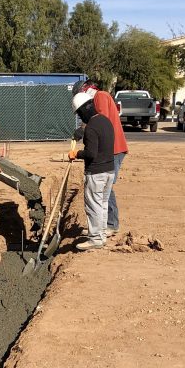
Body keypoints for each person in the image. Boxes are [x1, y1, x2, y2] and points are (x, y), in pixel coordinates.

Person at [72, 79, 128, 235]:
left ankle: (111, 224)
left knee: (105, 188)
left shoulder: (101, 96)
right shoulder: (99, 97)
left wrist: (83, 129)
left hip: (114, 148)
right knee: (105, 188)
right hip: (109, 148)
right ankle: (102, 226)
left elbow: (100, 120)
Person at [69, 92, 114, 251]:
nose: (80, 118)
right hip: (109, 171)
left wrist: (76, 153)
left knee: (93, 206)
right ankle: (101, 234)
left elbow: (91, 153)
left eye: (80, 114)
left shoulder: (91, 128)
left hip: (96, 173)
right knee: (102, 204)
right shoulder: (106, 121)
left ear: (84, 110)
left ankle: (95, 239)